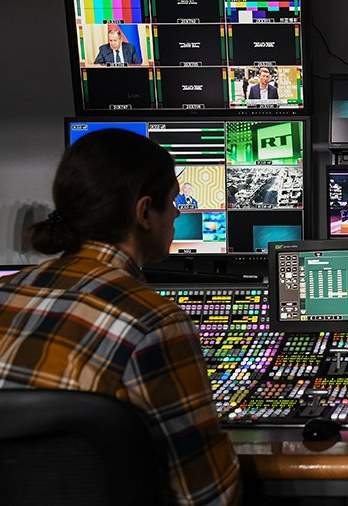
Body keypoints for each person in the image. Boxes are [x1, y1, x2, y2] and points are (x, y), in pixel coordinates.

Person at [0, 130, 241, 505]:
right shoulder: (155, 323)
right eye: (173, 202)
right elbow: (211, 495)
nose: (177, 213)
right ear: (144, 213)